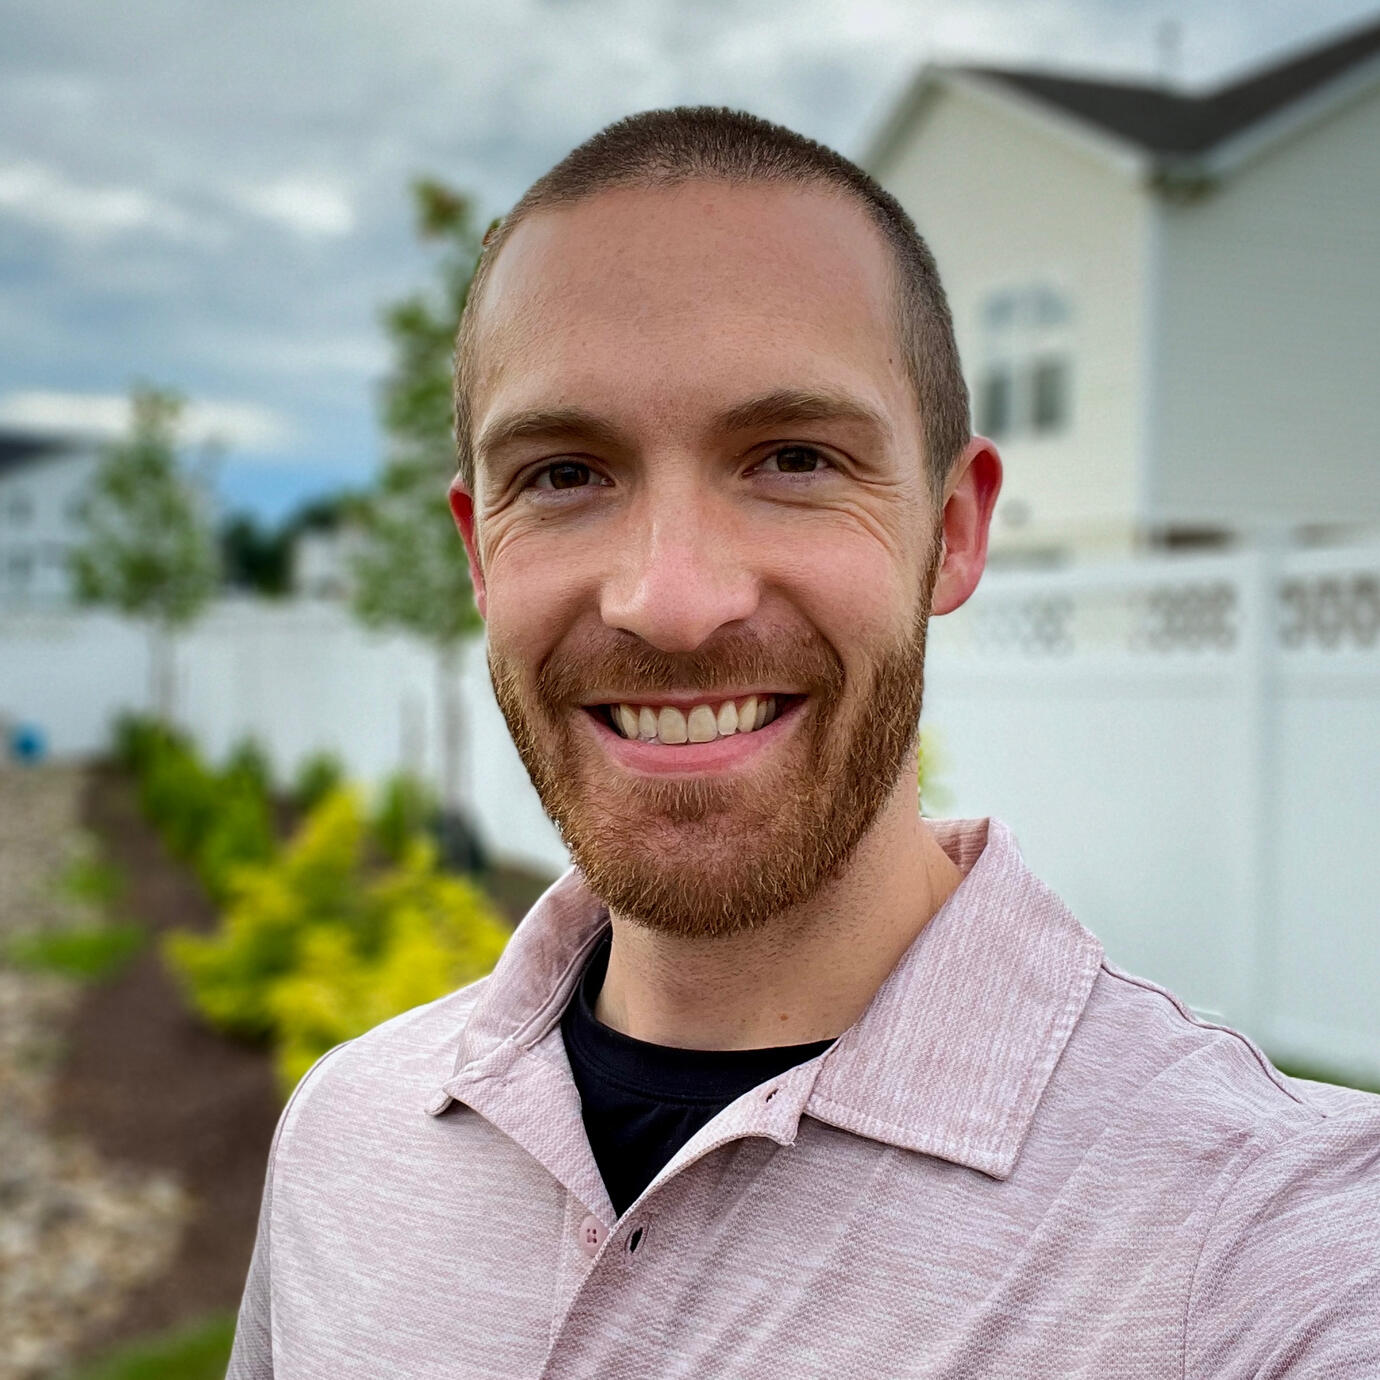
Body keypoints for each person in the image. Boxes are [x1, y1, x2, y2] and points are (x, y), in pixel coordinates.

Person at [227, 107, 1380, 1378]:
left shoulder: (1260, 1247)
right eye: (564, 473)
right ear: (479, 553)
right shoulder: (344, 1134)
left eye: (790, 457)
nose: (668, 601)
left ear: (952, 531)